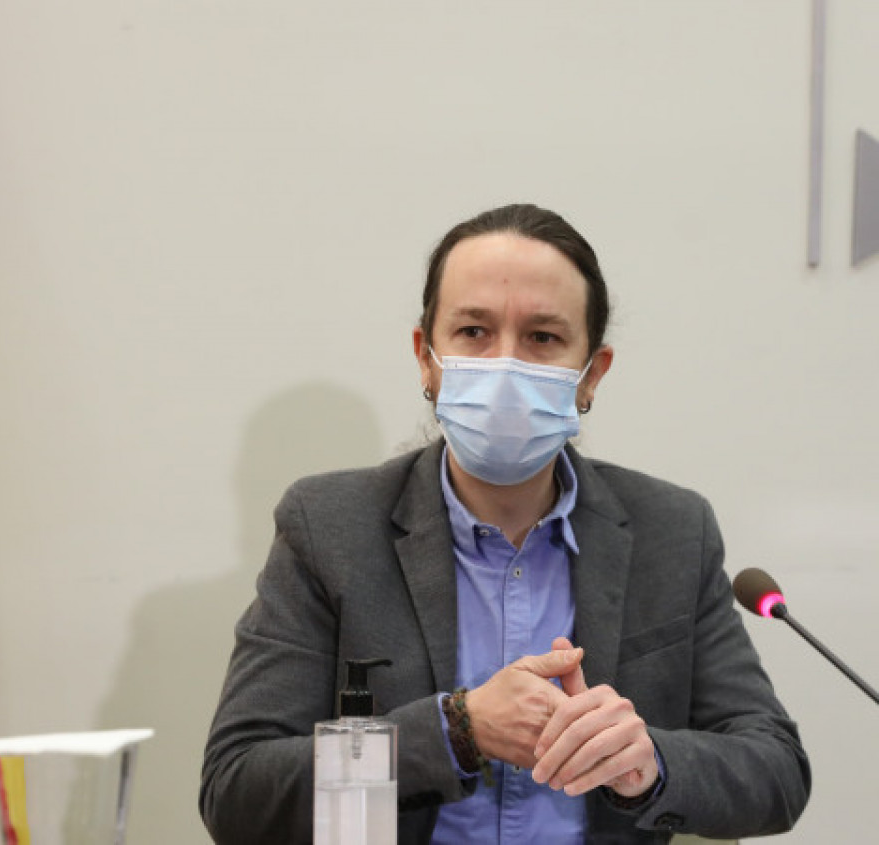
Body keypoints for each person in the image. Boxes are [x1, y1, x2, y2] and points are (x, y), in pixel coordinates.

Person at [200, 203, 810, 843]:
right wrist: (455, 730)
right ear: (426, 357)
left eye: (543, 338)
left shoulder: (674, 531)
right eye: (473, 332)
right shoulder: (329, 528)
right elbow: (237, 789)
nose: (505, 367)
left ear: (591, 375)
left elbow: (775, 771)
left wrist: (650, 762)